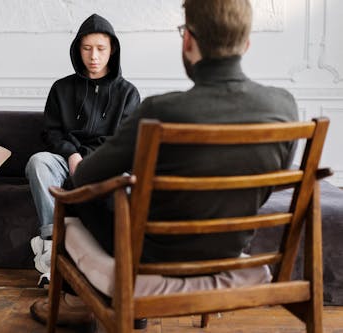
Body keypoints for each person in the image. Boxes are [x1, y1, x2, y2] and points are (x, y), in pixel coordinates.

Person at [30, 0, 299, 326]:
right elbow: (274, 180)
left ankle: (83, 300)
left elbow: (85, 176)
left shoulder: (160, 110)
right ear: (246, 43)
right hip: (228, 250)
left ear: (187, 41)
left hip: (152, 254)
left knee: (77, 190)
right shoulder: (283, 106)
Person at [25, 13, 140, 287]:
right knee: (38, 162)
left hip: (106, 164)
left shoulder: (128, 93)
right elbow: (51, 132)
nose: (94, 56)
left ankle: (64, 262)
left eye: (101, 49)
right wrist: (72, 154)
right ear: (78, 49)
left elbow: (123, 141)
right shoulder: (61, 88)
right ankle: (53, 245)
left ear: (113, 50)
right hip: (67, 160)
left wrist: (88, 161)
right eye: (87, 48)